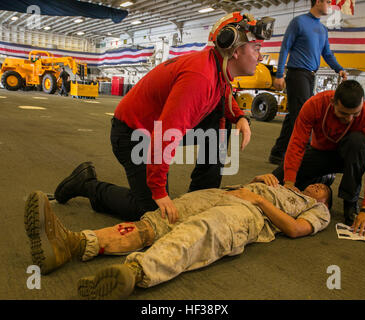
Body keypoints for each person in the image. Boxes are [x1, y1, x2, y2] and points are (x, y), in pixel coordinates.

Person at [54, 12, 275, 224]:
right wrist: (158, 191)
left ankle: (202, 194)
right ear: (234, 49)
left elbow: (223, 94)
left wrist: (239, 117)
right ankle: (87, 184)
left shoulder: (215, 67)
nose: (259, 56)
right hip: (132, 135)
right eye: (256, 48)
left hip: (152, 130)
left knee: (221, 119)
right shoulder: (199, 78)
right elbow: (167, 133)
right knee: (149, 211)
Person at [24, 173, 332, 299]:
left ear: (324, 202)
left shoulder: (317, 210)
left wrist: (261, 201)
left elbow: (294, 230)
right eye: (317, 185)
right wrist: (260, 183)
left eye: (324, 191)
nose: (318, 188)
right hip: (223, 194)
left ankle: (135, 271)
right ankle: (73, 243)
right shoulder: (283, 184)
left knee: (201, 232)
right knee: (157, 221)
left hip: (252, 214)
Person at [272, 80, 365, 232]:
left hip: (349, 157)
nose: (349, 119)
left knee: (357, 142)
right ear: (333, 102)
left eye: (355, 114)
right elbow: (297, 144)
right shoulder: (315, 104)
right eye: (344, 113)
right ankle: (324, 178)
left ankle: (350, 202)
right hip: (319, 153)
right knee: (275, 181)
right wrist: (289, 182)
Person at [269, 0, 348, 164]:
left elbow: (327, 53)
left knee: (294, 116)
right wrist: (279, 74)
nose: (329, 5)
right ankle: (305, 155)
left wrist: (338, 68)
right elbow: (285, 47)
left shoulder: (322, 29)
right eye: (327, 1)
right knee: (304, 116)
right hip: (297, 74)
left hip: (311, 75)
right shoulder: (298, 22)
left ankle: (278, 152)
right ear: (317, 2)